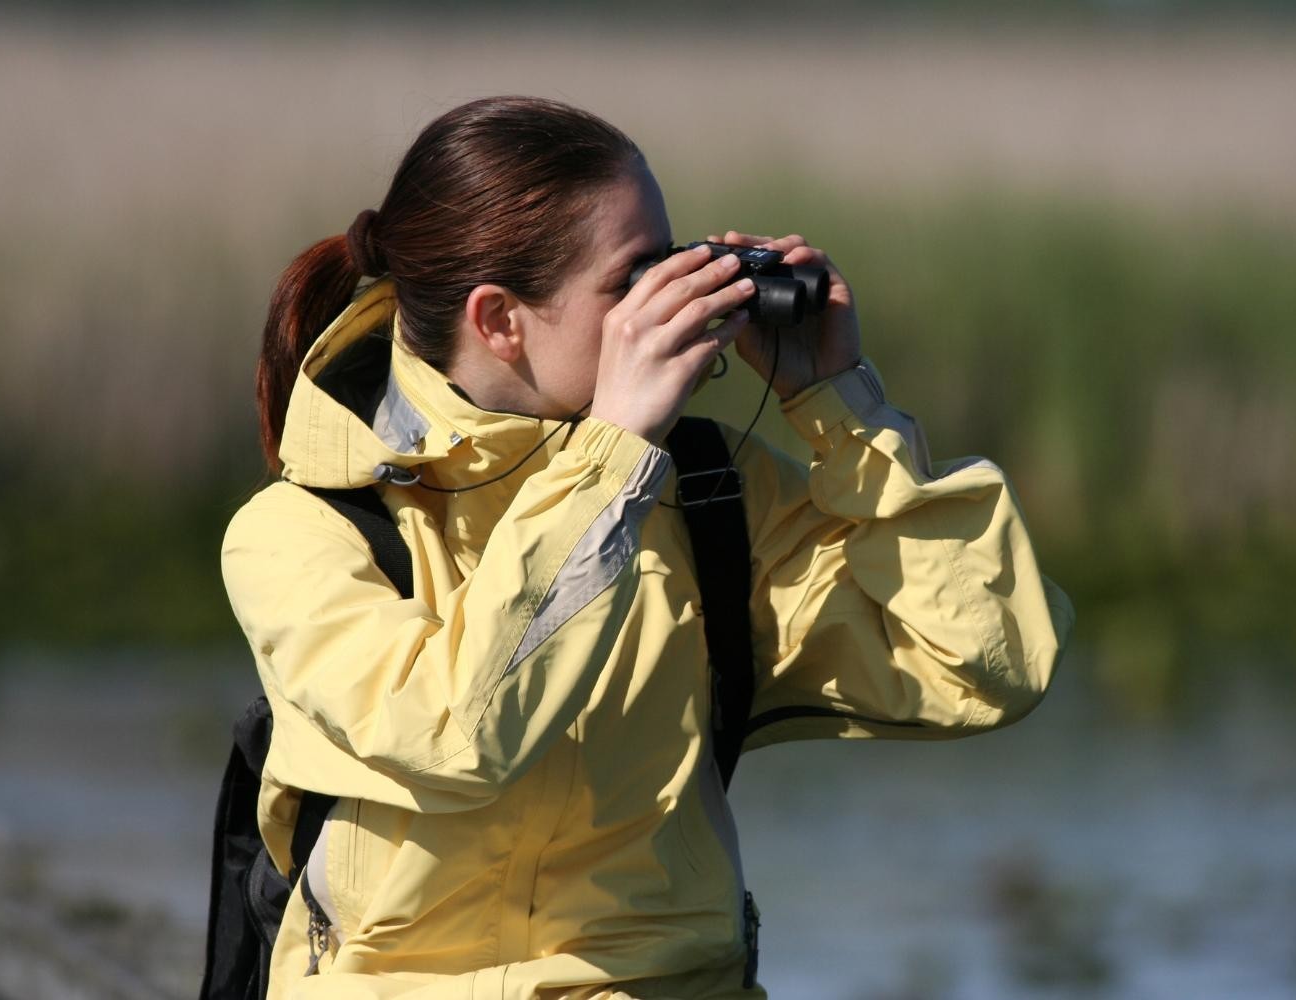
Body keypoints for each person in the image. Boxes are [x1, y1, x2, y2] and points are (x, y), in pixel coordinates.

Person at [221, 95, 1074, 1000]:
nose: (677, 303)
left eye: (674, 261)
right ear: (500, 320)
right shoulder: (304, 532)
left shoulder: (704, 495)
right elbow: (453, 734)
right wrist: (611, 462)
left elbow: (988, 666)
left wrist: (841, 407)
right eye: (634, 280)